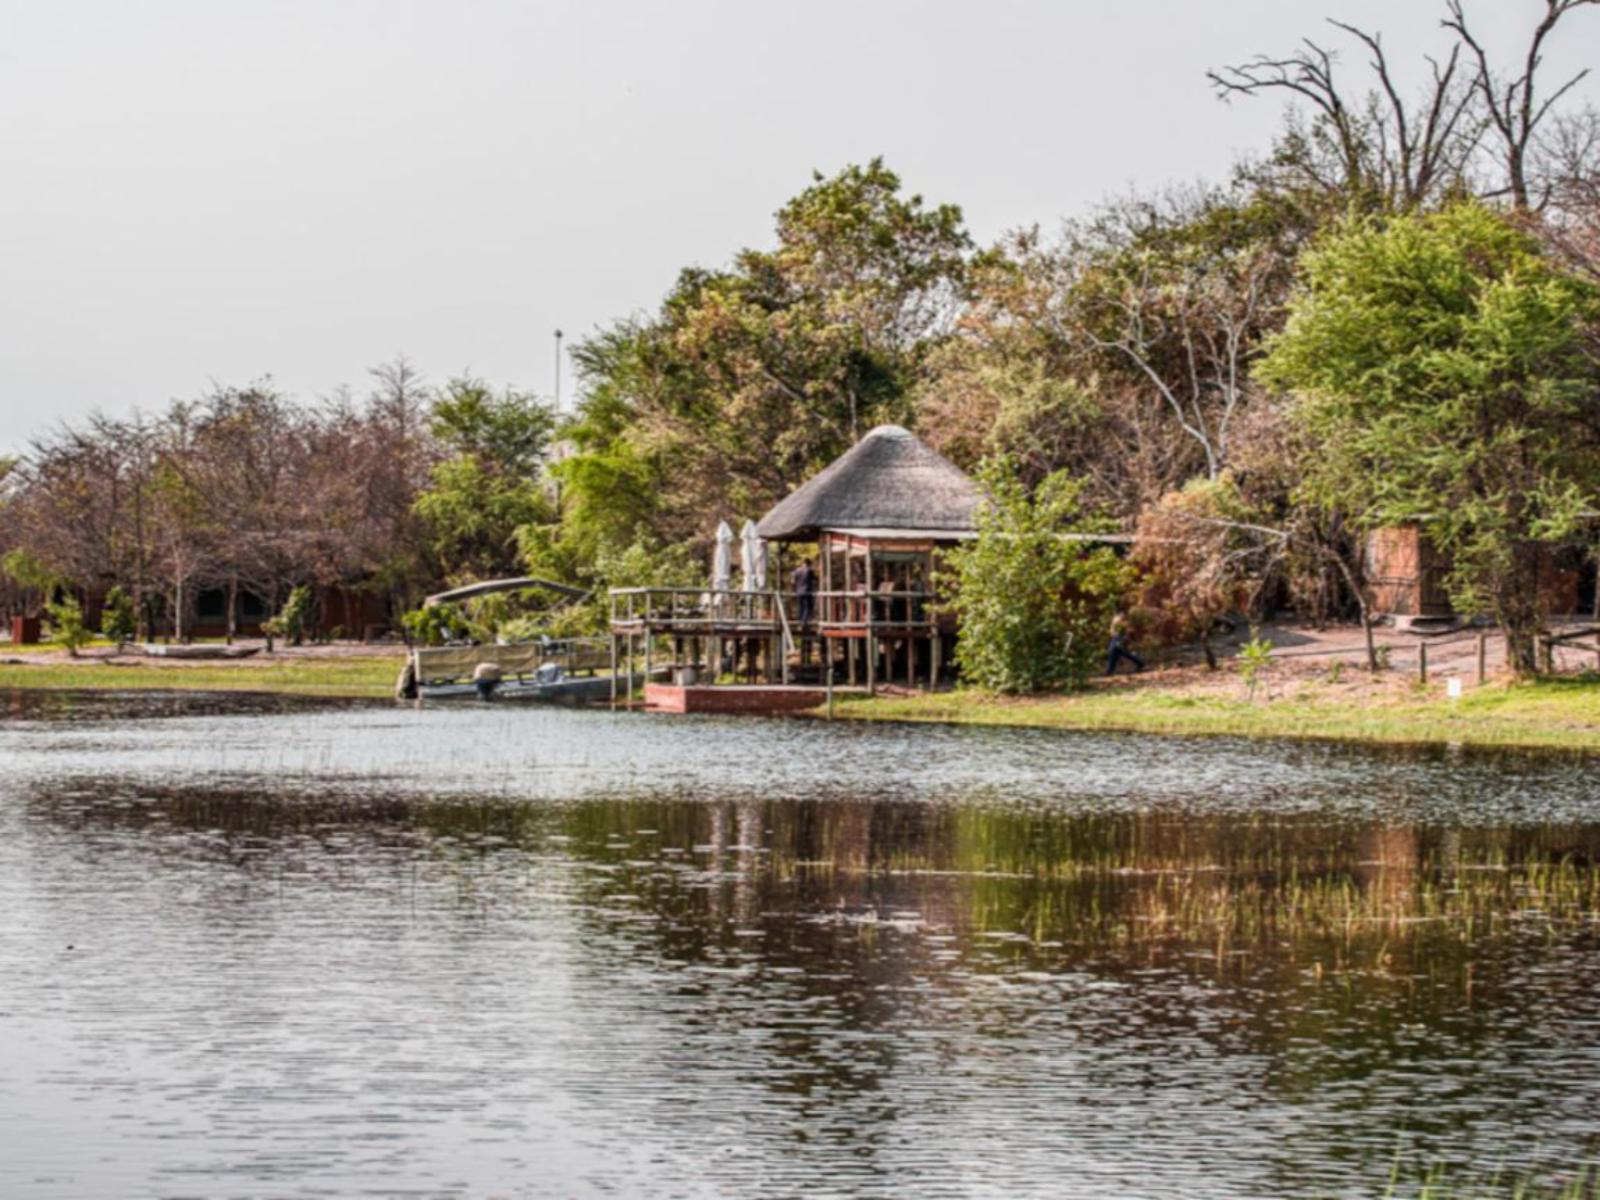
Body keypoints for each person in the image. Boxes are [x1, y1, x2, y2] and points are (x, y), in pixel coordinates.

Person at [792, 558, 817, 627]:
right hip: (807, 591)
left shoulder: (797, 571)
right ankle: (804, 621)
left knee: (801, 606)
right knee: (807, 607)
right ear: (809, 564)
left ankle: (800, 621)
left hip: (799, 591)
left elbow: (793, 581)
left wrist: (794, 589)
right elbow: (814, 579)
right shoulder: (809, 570)